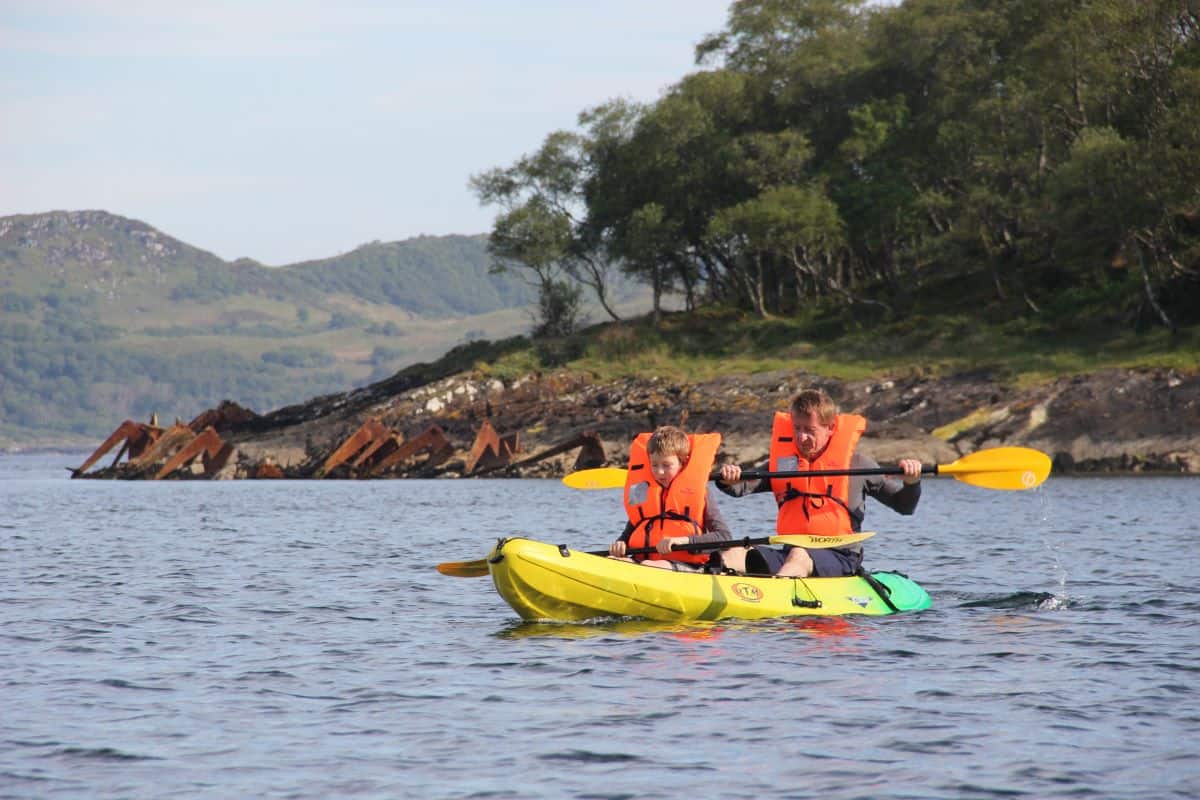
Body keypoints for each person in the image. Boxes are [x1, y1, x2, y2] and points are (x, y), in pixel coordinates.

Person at [716, 388, 922, 577]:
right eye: (797, 429)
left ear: (830, 428)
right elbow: (739, 488)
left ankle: (777, 596)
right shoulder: (785, 464)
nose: (801, 437)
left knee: (799, 555)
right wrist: (728, 478)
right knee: (735, 553)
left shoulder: (858, 466)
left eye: (809, 430)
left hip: (840, 556)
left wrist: (912, 482)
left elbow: (904, 506)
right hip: (790, 553)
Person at [609, 425, 733, 571]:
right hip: (644, 563)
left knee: (650, 566)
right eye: (654, 465)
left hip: (686, 566)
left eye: (666, 465)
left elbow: (724, 537)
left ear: (683, 462)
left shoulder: (701, 494)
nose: (660, 472)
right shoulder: (643, 493)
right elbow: (630, 531)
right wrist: (621, 543)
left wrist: (683, 541)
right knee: (612, 561)